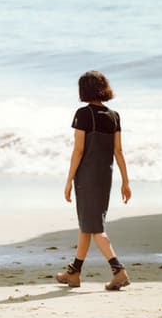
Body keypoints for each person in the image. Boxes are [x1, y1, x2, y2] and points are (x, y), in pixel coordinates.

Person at [55, 70, 132, 290]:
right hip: (105, 176)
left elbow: (78, 150)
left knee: (95, 228)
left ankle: (118, 270)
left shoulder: (83, 114)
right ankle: (74, 273)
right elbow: (118, 151)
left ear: (84, 90)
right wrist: (126, 182)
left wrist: (69, 180)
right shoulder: (114, 115)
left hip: (86, 177)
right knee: (87, 224)